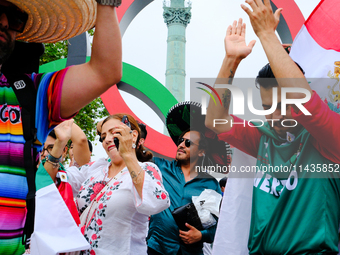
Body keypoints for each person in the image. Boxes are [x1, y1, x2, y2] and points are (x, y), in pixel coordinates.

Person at [205, 1, 340, 254]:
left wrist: (267, 35)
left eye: (283, 104)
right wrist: (231, 61)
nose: (276, 115)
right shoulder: (263, 137)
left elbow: (303, 98)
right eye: (268, 106)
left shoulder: (329, 136)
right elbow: (214, 121)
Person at [0, 0, 122, 253]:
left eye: (13, 18)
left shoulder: (28, 93)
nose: (3, 22)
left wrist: (106, 4)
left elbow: (104, 71)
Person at [43, 115, 170, 254]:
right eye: (103, 137)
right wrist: (59, 143)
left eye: (114, 132)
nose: (107, 139)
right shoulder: (95, 169)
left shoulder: (146, 170)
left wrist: (127, 155)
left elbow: (157, 202)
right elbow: (49, 181)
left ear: (133, 136)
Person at [147, 101, 226, 255]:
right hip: (157, 249)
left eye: (188, 143)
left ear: (201, 151)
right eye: (180, 141)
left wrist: (201, 235)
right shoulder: (159, 167)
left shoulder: (211, 184)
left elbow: (220, 225)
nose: (181, 145)